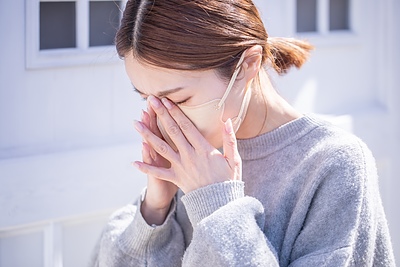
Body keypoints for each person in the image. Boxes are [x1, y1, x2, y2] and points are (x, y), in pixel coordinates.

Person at [90, 0, 396, 266]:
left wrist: (217, 206)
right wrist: (154, 212)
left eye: (180, 99)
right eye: (148, 99)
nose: (165, 119)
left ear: (248, 64)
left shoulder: (334, 163)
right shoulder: (188, 163)